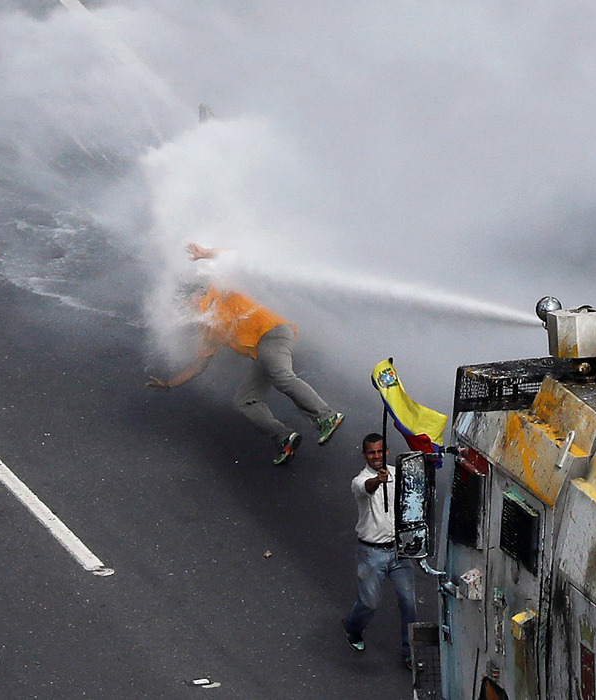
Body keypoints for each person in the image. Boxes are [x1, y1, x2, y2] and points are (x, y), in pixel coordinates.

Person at [147, 243, 344, 465]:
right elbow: (199, 365)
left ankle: (326, 416)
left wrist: (204, 255)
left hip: (273, 333)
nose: (182, 306)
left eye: (183, 300)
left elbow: (233, 258)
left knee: (280, 375)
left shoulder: (217, 291)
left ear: (195, 294)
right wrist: (169, 384)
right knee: (244, 400)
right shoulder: (206, 329)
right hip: (262, 353)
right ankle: (284, 437)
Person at [343, 433, 418, 670]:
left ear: (386, 452)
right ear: (364, 455)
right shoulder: (361, 480)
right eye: (371, 452)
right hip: (371, 553)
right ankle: (353, 628)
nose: (376, 456)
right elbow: (367, 487)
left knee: (409, 602)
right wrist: (379, 479)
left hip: (399, 551)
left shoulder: (398, 474)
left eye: (379, 451)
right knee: (370, 602)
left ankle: (409, 651)